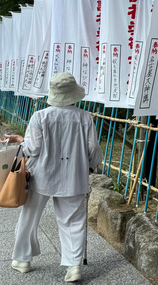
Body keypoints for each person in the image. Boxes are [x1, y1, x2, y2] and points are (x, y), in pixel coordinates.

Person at [4, 72, 103, 283]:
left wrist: (21, 141)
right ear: (73, 93)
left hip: (41, 175)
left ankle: (22, 259)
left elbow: (32, 148)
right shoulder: (85, 118)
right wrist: (91, 167)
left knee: (29, 217)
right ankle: (73, 265)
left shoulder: (40, 116)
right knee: (73, 221)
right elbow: (93, 148)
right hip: (73, 176)